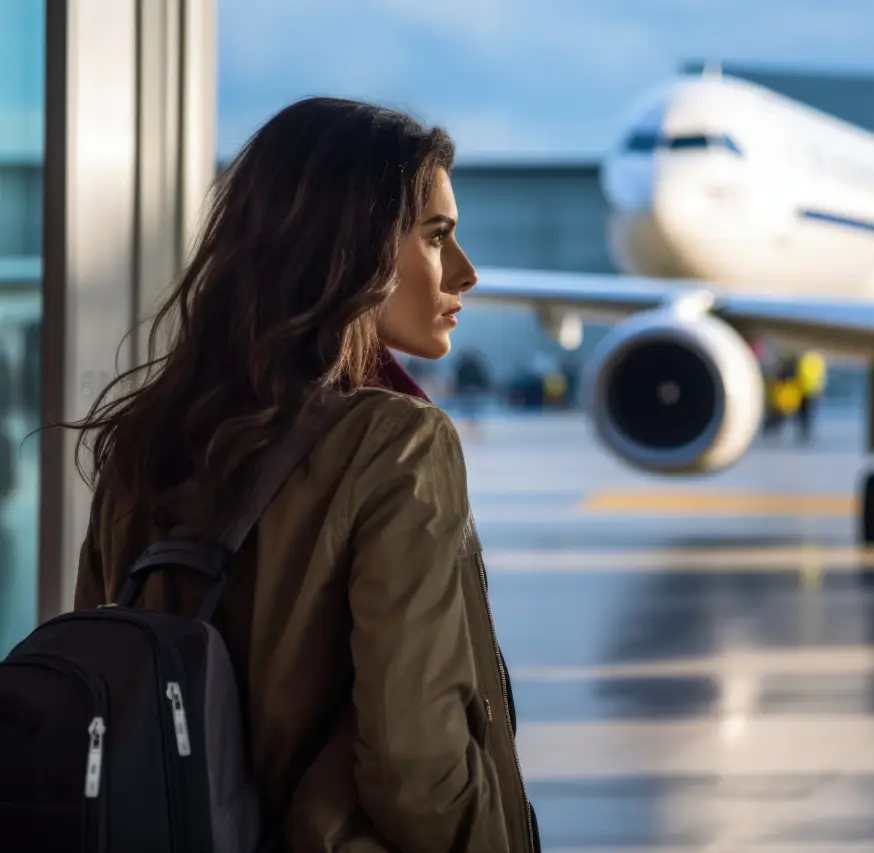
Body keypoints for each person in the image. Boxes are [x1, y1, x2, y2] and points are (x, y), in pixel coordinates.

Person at [63, 98, 539, 853]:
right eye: (436, 236)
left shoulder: (146, 442)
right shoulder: (399, 446)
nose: (466, 272)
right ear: (351, 250)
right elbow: (417, 772)